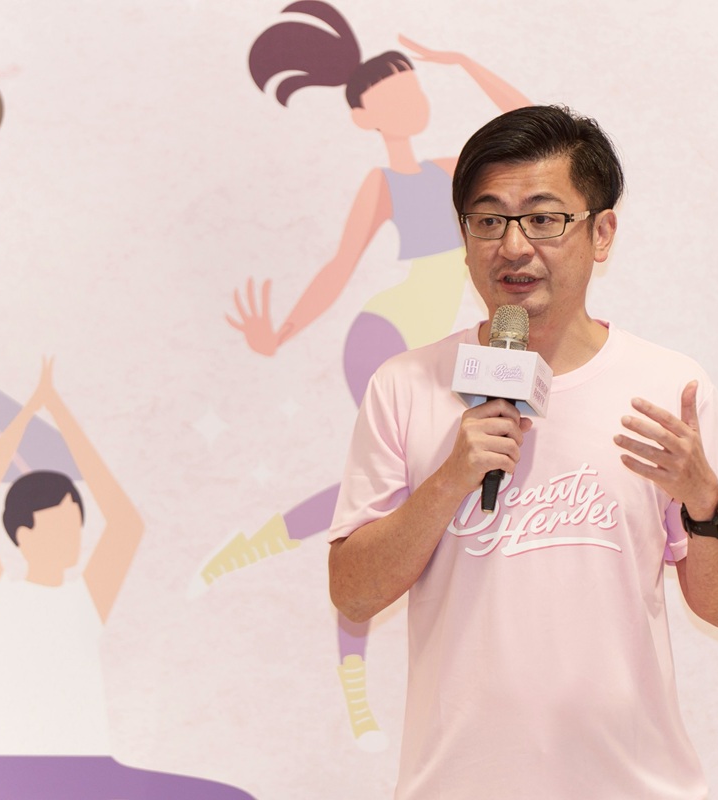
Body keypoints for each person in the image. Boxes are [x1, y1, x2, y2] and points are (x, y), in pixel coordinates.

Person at [328, 105, 718, 798]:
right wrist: (450, 479)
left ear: (601, 232)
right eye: (489, 220)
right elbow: (353, 593)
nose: (513, 246)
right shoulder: (406, 385)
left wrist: (707, 502)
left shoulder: (668, 388)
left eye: (544, 219)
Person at [208, 1, 529, 749]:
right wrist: (279, 332)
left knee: (407, 498)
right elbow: (337, 266)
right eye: (392, 94)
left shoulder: (455, 174)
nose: (412, 98)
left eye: (415, 84)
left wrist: (463, 63)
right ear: (361, 117)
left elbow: (537, 130)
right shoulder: (383, 185)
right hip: (386, 337)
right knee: (398, 501)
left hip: (450, 347)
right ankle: (307, 606)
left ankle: (259, 543)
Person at [0, 360, 252, 799]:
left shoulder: (84, 599)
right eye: (58, 527)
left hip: (85, 770)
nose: (73, 538)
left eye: (76, 525)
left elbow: (125, 523)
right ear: (22, 534)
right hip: (3, 769)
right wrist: (28, 413)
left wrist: (59, 412)